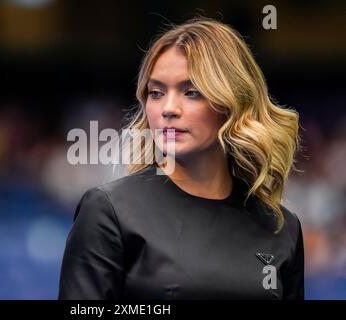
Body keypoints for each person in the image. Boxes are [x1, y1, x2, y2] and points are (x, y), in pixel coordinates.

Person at [58, 17, 304, 300]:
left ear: (233, 104)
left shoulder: (281, 227)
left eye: (191, 92)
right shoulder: (110, 211)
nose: (168, 108)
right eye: (156, 92)